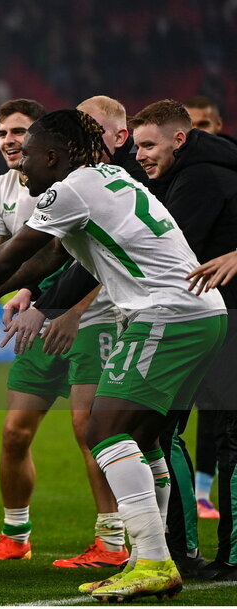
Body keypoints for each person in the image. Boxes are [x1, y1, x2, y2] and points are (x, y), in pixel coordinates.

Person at [0, 109, 227, 601]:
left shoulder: (68, 191)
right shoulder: (110, 177)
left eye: (29, 156)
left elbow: (15, 253)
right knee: (142, 440)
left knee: (104, 431)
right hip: (198, 311)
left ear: (53, 156)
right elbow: (50, 257)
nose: (22, 165)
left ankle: (154, 562)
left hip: (166, 313)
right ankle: (151, 559)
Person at [0, 99, 128, 569]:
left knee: (88, 430)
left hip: (92, 319)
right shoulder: (1, 190)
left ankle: (112, 543)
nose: (11, 141)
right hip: (36, 323)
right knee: (14, 433)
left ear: (46, 144)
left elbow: (102, 261)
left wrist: (62, 308)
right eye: (3, 134)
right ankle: (16, 534)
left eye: (20, 132)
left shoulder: (79, 185)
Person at [131, 99, 237, 581]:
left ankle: (225, 559)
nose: (139, 155)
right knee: (167, 429)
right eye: (135, 146)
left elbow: (162, 252)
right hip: (196, 317)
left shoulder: (203, 178)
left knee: (226, 437)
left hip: (220, 318)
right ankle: (184, 553)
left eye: (148, 144)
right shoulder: (180, 176)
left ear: (180, 139)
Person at [183, 94, 229, 522]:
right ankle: (193, 497)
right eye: (190, 127)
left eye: (206, 126)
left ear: (220, 128)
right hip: (189, 309)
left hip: (227, 310)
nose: (199, 134)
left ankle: (202, 494)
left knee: (220, 411)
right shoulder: (173, 183)